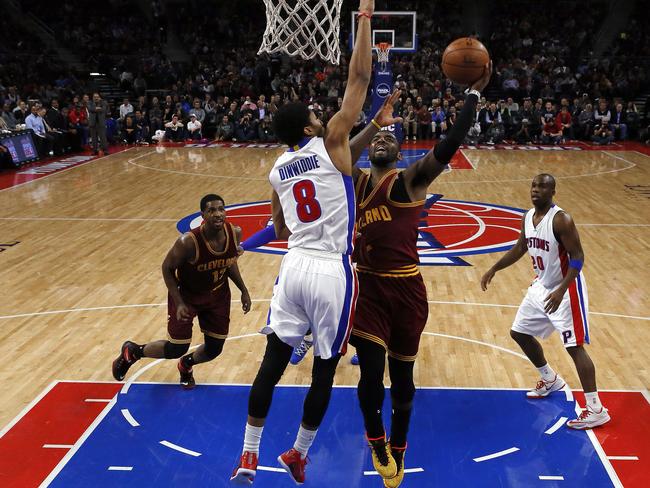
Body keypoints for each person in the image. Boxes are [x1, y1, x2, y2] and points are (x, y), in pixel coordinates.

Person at [290, 66, 491, 486]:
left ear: (398, 153)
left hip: (408, 289)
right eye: (376, 139)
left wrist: (472, 96)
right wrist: (373, 121)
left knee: (403, 379)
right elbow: (335, 143)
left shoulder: (411, 181)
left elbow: (451, 142)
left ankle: (399, 444)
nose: (381, 141)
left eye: (388, 139)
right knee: (370, 372)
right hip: (367, 287)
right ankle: (377, 439)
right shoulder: (353, 181)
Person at [230, 1, 374, 484]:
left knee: (271, 363)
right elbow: (358, 81)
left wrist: (251, 242)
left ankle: (248, 454)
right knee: (325, 370)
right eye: (316, 113)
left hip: (291, 268)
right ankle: (298, 452)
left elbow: (282, 226)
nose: (322, 114)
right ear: (312, 127)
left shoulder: (276, 169)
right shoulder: (332, 140)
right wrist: (365, 19)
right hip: (332, 268)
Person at [480, 174, 610, 430]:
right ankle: (549, 378)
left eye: (543, 187)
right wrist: (494, 268)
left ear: (553, 191)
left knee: (574, 346)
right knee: (519, 332)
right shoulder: (528, 217)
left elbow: (578, 257)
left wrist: (561, 290)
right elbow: (520, 248)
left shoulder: (561, 219)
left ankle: (596, 409)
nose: (536, 190)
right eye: (534, 185)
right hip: (541, 287)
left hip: (566, 289)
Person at [112, 194, 251, 388]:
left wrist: (243, 290)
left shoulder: (235, 232)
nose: (218, 214)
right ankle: (133, 351)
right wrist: (178, 302)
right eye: (211, 210)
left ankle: (187, 364)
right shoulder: (188, 242)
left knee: (214, 349)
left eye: (221, 209)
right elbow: (167, 268)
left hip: (218, 295)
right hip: (188, 297)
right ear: (203, 214)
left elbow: (229, 263)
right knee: (176, 348)